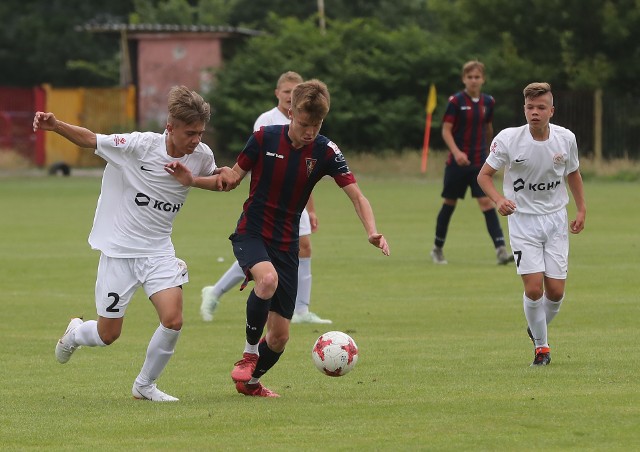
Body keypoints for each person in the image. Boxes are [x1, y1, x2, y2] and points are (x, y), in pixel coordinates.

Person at [167, 80, 390, 397]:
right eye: (303, 124)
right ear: (290, 112)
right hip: (252, 232)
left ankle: (251, 383)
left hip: (287, 243)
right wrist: (193, 180)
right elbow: (230, 178)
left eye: (316, 125)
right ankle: (248, 355)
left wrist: (372, 230)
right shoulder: (263, 138)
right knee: (266, 280)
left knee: (279, 337)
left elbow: (357, 196)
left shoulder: (326, 151)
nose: (310, 131)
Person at [33, 86, 238, 401]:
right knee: (107, 335)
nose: (196, 139)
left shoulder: (201, 155)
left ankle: (144, 386)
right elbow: (92, 139)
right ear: (169, 127)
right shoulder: (138, 146)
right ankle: (76, 332)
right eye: (190, 133)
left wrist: (212, 179)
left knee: (173, 320)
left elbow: (219, 179)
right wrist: (56, 125)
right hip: (120, 254)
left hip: (159, 252)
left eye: (200, 132)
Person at [200, 71, 331, 324]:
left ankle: (301, 310)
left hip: (294, 202)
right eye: (286, 92)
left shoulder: (310, 122)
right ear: (278, 94)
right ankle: (215, 290)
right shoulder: (267, 121)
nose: (290, 97)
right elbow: (261, 159)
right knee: (263, 257)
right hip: (268, 200)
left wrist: (311, 209)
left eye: (295, 93)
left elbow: (307, 172)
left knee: (304, 247)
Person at [477, 82, 586, 366]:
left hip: (556, 220)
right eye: (529, 108)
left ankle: (536, 325)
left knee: (557, 292)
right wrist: (499, 199)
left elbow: (573, 173)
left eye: (540, 108)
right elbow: (484, 176)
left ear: (552, 110)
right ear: (523, 109)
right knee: (535, 289)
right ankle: (542, 347)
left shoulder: (566, 139)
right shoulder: (508, 139)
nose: (534, 113)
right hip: (523, 221)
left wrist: (581, 209)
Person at [431, 60, 514, 265]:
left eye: (477, 77)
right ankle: (437, 248)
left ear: (483, 79)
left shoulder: (488, 102)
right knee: (449, 203)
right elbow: (446, 130)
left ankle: (501, 250)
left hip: (478, 162)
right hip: (457, 164)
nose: (474, 80)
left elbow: (488, 128)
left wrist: (490, 151)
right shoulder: (456, 101)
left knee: (486, 202)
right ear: (464, 79)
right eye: (470, 77)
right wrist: (457, 152)